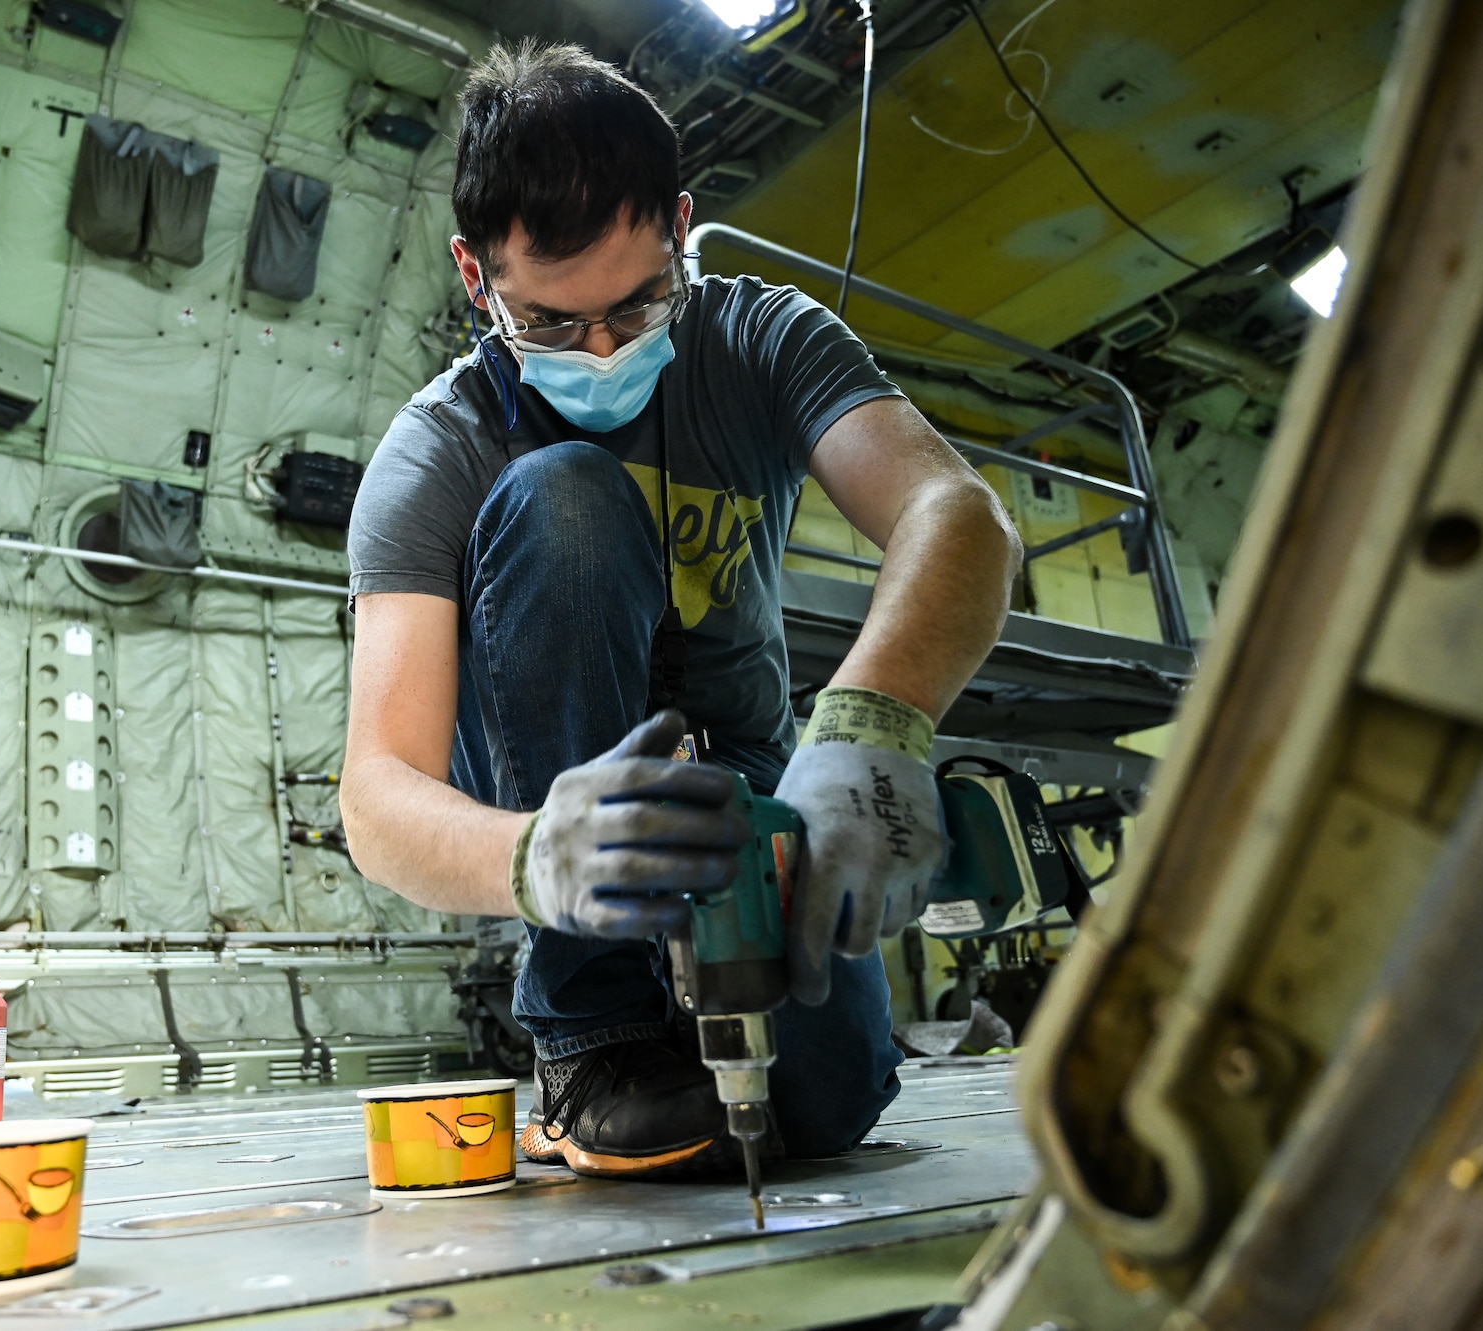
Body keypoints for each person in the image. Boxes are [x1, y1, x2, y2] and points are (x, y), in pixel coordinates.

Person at [340, 42, 1021, 1178]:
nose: (603, 348)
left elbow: (955, 516)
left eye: (640, 299)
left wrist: (871, 727)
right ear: (475, 275)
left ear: (681, 229)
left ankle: (723, 1041)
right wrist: (532, 859)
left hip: (750, 779)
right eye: (552, 325)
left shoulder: (760, 340)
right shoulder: (437, 445)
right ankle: (592, 1032)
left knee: (826, 1107)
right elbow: (375, 790)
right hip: (567, 807)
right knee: (564, 495)